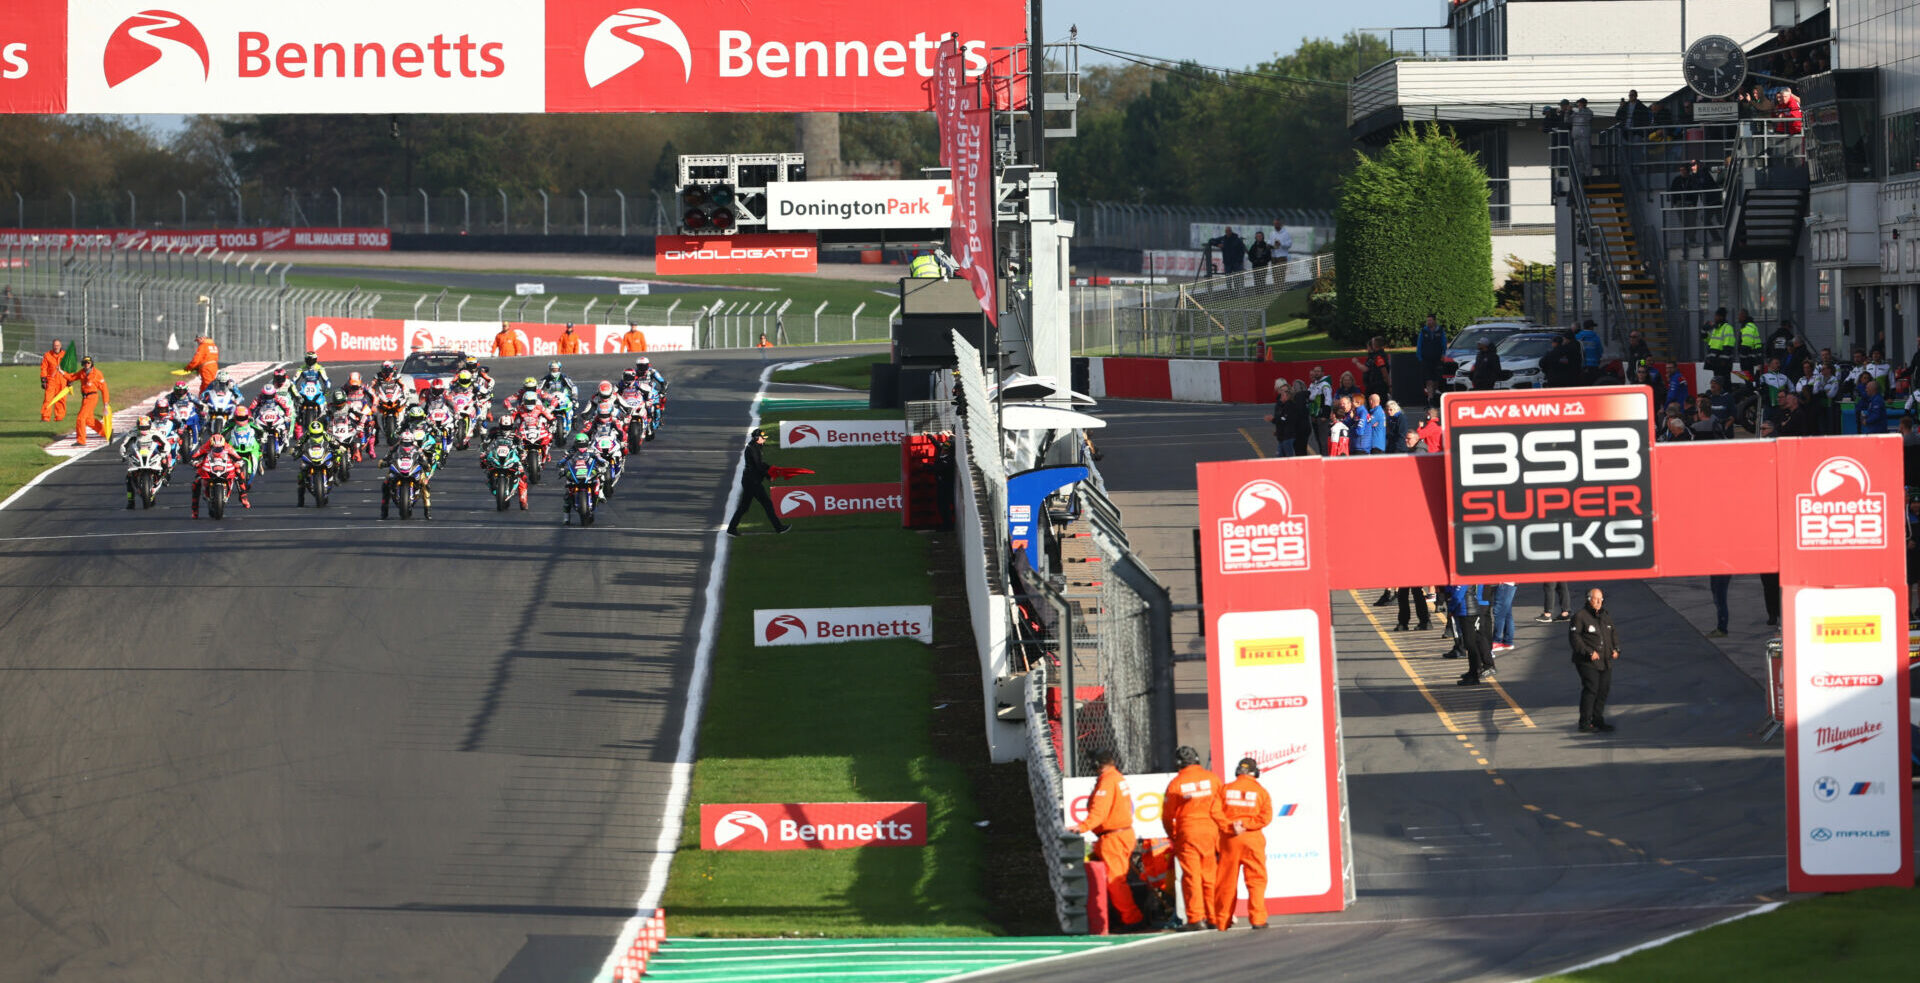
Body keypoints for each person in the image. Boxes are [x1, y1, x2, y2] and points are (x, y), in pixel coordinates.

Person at [1070, 748, 1147, 932]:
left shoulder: (1107, 782)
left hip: (1113, 837)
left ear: (1097, 765)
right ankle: (1121, 917)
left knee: (1115, 881)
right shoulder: (1117, 778)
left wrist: (1081, 827)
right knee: (1113, 878)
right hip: (1120, 835)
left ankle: (1132, 919)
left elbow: (1099, 813)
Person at [1163, 746, 1226, 931]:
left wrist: (1173, 835)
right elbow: (1222, 805)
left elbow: (1167, 816)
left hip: (1188, 833)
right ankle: (1214, 917)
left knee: (1191, 877)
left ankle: (1196, 918)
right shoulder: (1212, 779)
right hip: (1210, 831)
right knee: (1210, 875)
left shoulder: (1176, 783)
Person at [1212, 757, 1272, 932]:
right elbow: (1266, 817)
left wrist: (1231, 826)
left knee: (1226, 881)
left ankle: (1222, 921)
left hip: (1230, 839)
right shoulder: (1261, 792)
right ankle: (1258, 919)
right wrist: (1246, 825)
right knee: (1256, 880)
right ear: (1255, 773)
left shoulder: (1225, 789)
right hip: (1252, 839)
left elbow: (1214, 811)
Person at [1569, 587, 1620, 733]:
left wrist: (1616, 649)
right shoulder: (1580, 616)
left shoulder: (1605, 615)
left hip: (1605, 660)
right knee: (1591, 688)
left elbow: (1613, 633)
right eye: (1596, 599)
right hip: (1587, 661)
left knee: (1603, 690)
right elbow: (1575, 638)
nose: (1599, 602)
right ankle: (1584, 722)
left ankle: (1598, 719)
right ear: (1588, 599)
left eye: (1601, 599)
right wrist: (1588, 652)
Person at [726, 428, 793, 536]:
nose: (764, 439)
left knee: (744, 506)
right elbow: (758, 466)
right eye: (763, 438)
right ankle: (779, 528)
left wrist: (770, 468)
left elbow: (760, 463)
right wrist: (768, 475)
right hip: (753, 482)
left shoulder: (755, 446)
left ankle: (731, 529)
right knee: (767, 504)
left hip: (750, 481)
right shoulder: (753, 449)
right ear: (757, 438)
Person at [189, 432, 249, 518]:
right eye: (215, 448)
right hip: (209, 467)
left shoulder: (228, 447)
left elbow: (239, 458)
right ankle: (195, 509)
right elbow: (194, 457)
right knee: (196, 482)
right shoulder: (205, 447)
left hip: (224, 467)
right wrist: (195, 463)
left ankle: (243, 496)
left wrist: (238, 463)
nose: (217, 449)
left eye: (220, 448)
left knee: (238, 472)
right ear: (211, 445)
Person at [65, 354, 111, 446]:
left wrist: (106, 403)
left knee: (80, 418)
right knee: (88, 420)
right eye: (85, 363)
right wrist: (61, 372)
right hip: (85, 398)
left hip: (92, 397)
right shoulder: (82, 372)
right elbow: (72, 377)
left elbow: (104, 389)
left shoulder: (97, 374)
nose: (86, 364)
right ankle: (107, 433)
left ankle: (81, 441)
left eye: (88, 363)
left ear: (91, 363)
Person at [1264, 380, 1296, 457]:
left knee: (1287, 457)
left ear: (1288, 395)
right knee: (1282, 456)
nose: (1281, 394)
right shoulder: (1282, 405)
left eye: (1283, 393)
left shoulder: (1289, 406)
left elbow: (1284, 419)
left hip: (1287, 436)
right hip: (1283, 436)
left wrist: (1273, 420)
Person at [1415, 315, 1447, 391]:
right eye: (1427, 321)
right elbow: (1419, 344)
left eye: (1430, 320)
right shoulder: (1423, 331)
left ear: (1434, 321)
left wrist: (1443, 354)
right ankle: (1430, 397)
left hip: (1437, 358)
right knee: (1428, 378)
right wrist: (1419, 357)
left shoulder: (1440, 330)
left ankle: (1435, 392)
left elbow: (1444, 343)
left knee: (1436, 378)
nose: (1428, 322)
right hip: (1426, 359)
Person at [38, 339, 68, 422]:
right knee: (48, 399)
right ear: (52, 346)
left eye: (58, 345)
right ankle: (45, 417)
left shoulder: (65, 355)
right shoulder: (47, 355)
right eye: (55, 345)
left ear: (60, 346)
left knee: (61, 399)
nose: (56, 347)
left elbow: (69, 368)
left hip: (62, 380)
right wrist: (43, 380)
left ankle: (59, 417)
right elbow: (44, 368)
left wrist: (70, 379)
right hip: (51, 380)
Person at [1491, 580, 1517, 653]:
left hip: (1504, 582)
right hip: (1510, 582)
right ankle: (1508, 641)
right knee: (1507, 613)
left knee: (1499, 613)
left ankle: (1497, 641)